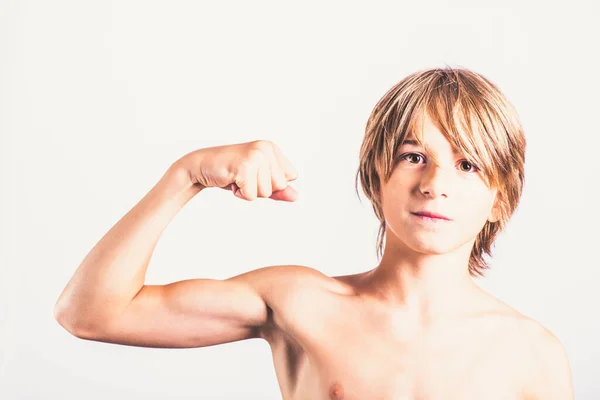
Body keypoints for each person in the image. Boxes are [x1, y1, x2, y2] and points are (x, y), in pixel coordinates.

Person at [54, 67, 574, 399]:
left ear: (500, 197)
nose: (435, 184)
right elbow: (90, 314)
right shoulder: (300, 302)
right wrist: (185, 174)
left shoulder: (531, 353)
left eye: (469, 165)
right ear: (376, 175)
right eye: (414, 157)